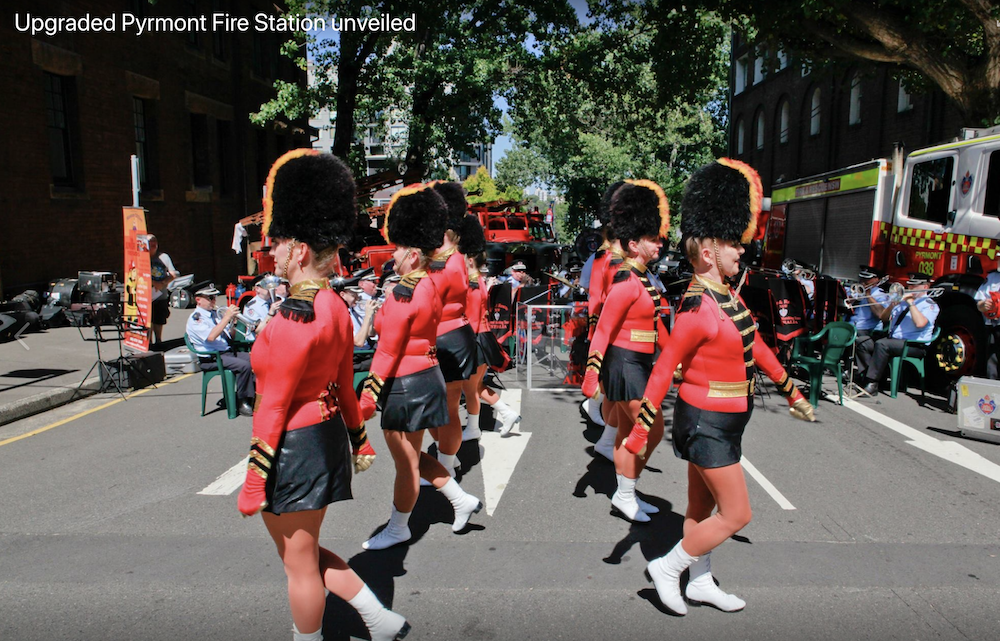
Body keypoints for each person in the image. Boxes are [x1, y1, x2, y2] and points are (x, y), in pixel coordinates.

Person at [623, 158, 815, 615]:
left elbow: (757, 346)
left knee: (699, 508)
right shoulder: (696, 308)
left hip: (727, 420)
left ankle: (700, 581)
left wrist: (791, 390)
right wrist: (640, 430)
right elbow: (663, 368)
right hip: (705, 422)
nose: (741, 250)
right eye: (733, 243)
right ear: (708, 251)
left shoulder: (727, 295)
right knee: (737, 513)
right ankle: (668, 568)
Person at [235, 149, 409, 641]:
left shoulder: (295, 316)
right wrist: (358, 437)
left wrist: (254, 477)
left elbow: (273, 403)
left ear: (300, 250)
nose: (271, 251)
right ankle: (378, 618)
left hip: (293, 446)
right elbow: (343, 381)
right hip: (324, 436)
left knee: (298, 564)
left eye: (278, 242)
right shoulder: (332, 303)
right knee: (303, 551)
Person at [359, 183, 483, 550]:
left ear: (413, 255)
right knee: (411, 456)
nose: (393, 254)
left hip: (404, 382)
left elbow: (386, 350)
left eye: (398, 249)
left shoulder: (404, 293)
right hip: (426, 375)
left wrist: (368, 396)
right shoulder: (429, 284)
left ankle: (399, 527)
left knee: (405, 464)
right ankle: (460, 499)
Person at [581, 179, 671, 523]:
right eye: (653, 239)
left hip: (639, 362)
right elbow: (604, 328)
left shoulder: (643, 279)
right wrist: (591, 373)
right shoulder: (625, 280)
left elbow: (656, 325)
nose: (659, 244)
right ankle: (625, 492)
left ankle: (626, 494)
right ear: (634, 244)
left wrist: (676, 359)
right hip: (624, 363)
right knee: (652, 428)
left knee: (624, 431)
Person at [425, 181, 478, 473]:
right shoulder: (449, 258)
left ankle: (444, 465)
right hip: (449, 335)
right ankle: (449, 457)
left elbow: (431, 303)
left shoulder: (447, 262)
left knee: (446, 408)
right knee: (441, 408)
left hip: (447, 336)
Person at [458, 214, 520, 440]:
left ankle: (475, 428)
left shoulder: (472, 284)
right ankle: (505, 413)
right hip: (482, 337)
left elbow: (471, 317)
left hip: (476, 338)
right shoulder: (478, 281)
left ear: (470, 260)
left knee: (470, 388)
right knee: (474, 387)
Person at [583, 181, 627, 456]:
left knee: (616, 391)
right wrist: (594, 333)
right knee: (618, 390)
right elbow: (596, 298)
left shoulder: (621, 256)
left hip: (626, 331)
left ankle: (608, 441)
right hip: (611, 332)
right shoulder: (604, 257)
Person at [857, 273, 940, 395]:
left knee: (882, 344)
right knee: (862, 342)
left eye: (914, 286)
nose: (910, 288)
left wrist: (911, 303)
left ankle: (872, 383)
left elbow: (920, 323)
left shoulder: (929, 304)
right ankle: (867, 376)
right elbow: (884, 318)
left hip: (914, 344)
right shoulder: (902, 302)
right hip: (894, 340)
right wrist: (892, 305)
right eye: (909, 285)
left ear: (925, 287)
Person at [185, 285, 256, 417]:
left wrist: (232, 322)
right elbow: (211, 337)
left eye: (214, 297)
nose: (214, 301)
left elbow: (230, 337)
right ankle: (243, 401)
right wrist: (226, 318)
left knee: (257, 359)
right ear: (198, 300)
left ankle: (255, 396)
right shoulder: (196, 318)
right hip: (211, 358)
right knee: (244, 366)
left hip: (226, 352)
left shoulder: (215, 315)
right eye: (210, 298)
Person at [149, 234, 179, 344]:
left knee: (159, 319)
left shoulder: (164, 257)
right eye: (150, 242)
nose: (152, 244)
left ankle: (158, 340)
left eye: (154, 242)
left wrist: (163, 283)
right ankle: (148, 342)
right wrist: (154, 283)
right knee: (148, 320)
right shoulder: (141, 258)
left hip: (160, 294)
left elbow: (174, 274)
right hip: (145, 295)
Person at [975, 265, 1000, 378]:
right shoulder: (993, 277)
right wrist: (984, 305)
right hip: (995, 328)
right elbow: (979, 304)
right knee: (992, 367)